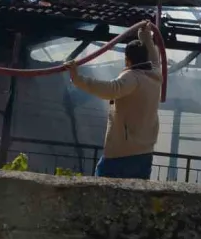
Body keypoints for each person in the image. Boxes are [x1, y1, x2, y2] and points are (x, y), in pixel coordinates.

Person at [64, 21, 162, 179]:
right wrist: (146, 37)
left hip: (121, 154)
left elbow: (110, 90)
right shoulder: (156, 74)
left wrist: (77, 79)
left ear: (127, 60)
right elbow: (154, 56)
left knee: (101, 194)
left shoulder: (132, 77)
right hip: (145, 153)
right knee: (136, 199)